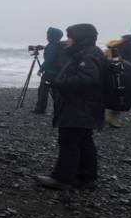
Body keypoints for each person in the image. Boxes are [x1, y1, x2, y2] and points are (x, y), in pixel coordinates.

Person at [36, 23, 107, 190]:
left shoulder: (88, 54)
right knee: (83, 140)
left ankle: (62, 178)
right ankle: (86, 177)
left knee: (68, 140)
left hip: (80, 106)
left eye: (70, 37)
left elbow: (87, 79)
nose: (67, 40)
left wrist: (59, 82)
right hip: (85, 106)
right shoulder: (87, 52)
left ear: (81, 38)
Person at [33, 27, 64, 115]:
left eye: (48, 34)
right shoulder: (59, 45)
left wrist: (41, 69)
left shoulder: (51, 46)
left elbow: (49, 60)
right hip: (58, 73)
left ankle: (40, 109)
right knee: (56, 92)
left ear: (51, 36)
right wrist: (43, 47)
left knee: (43, 90)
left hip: (49, 74)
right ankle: (59, 110)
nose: (46, 36)